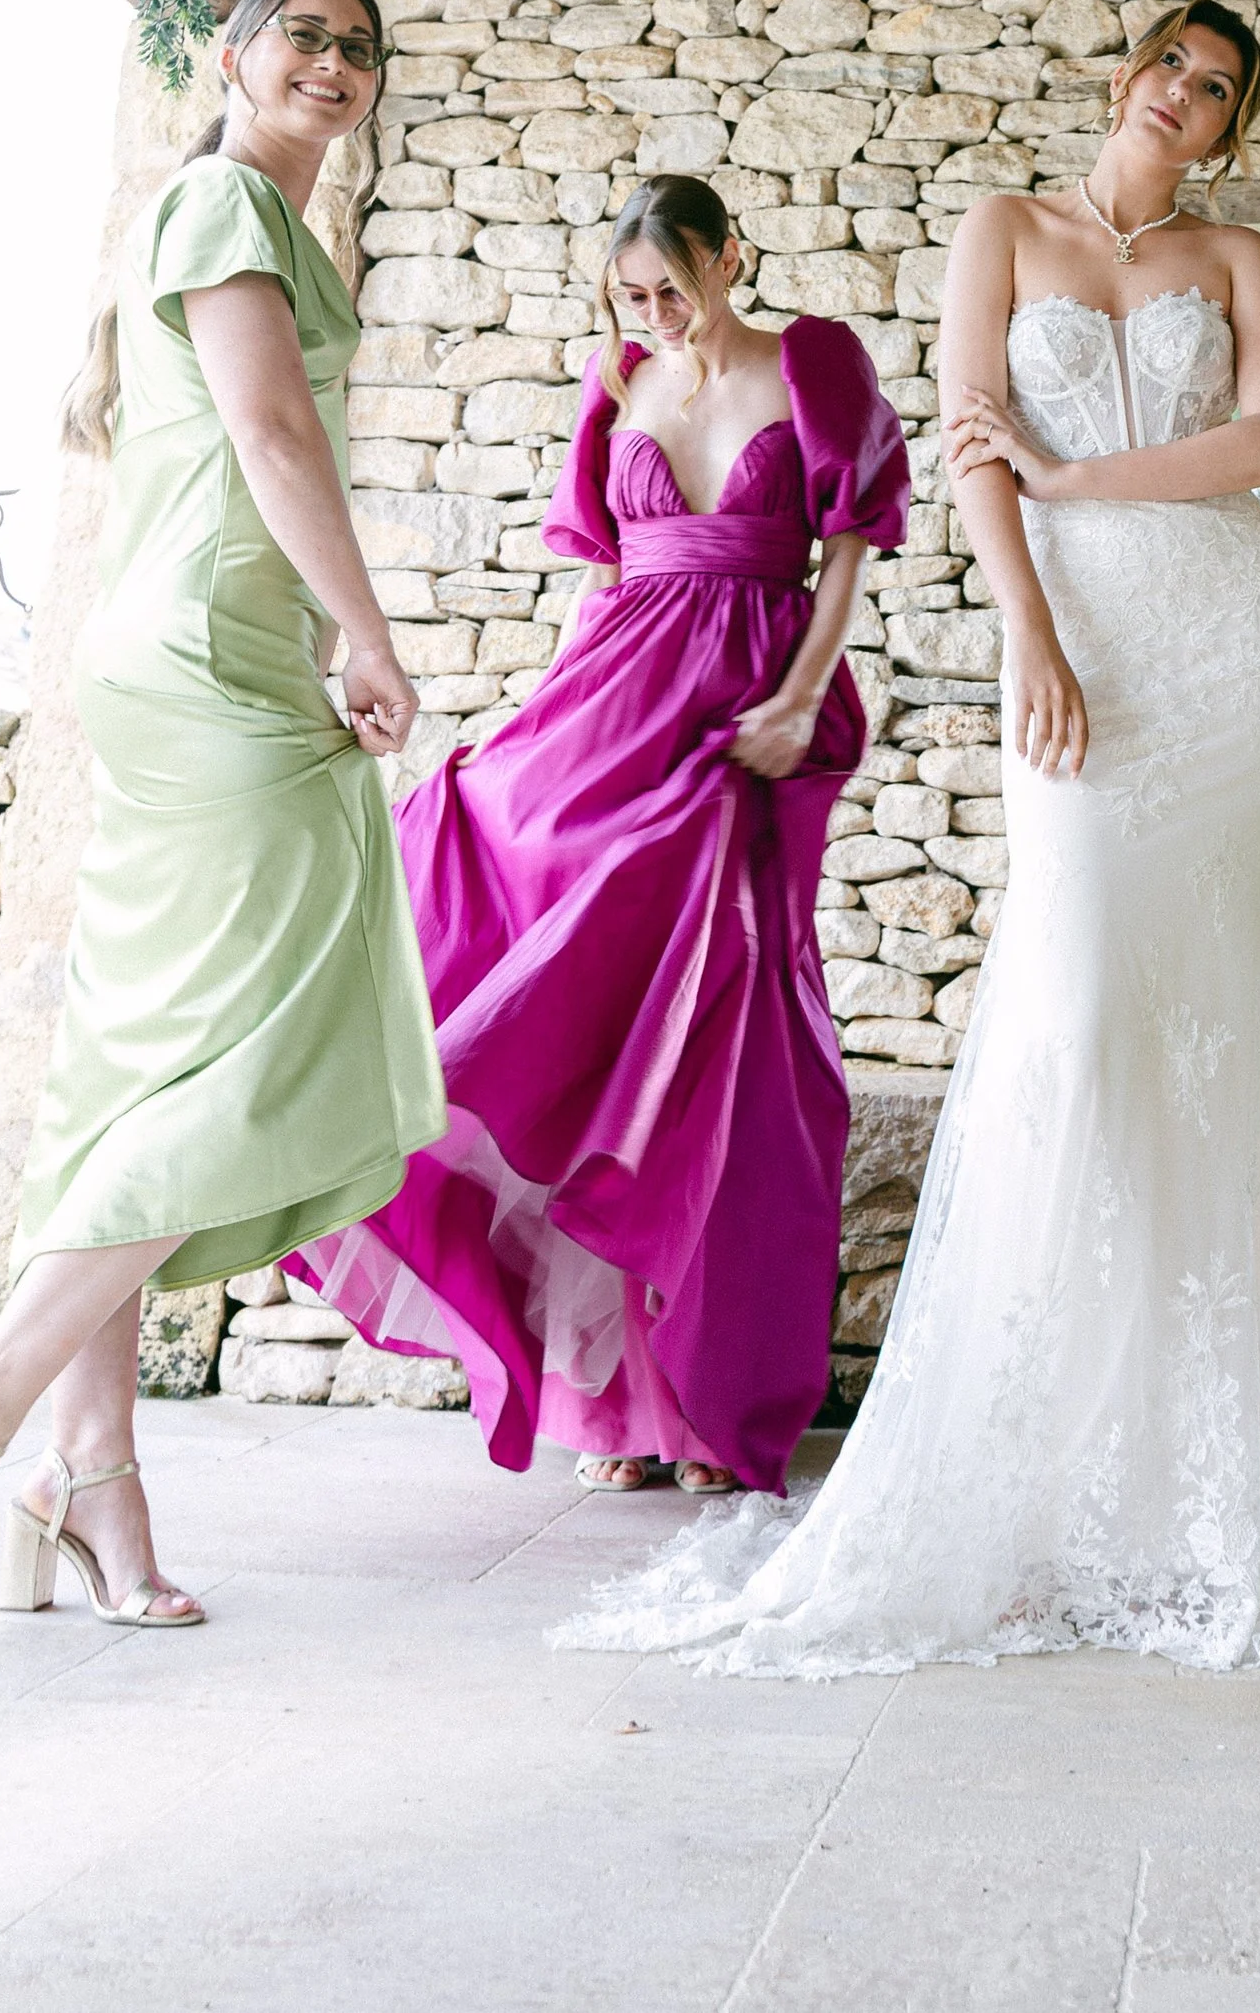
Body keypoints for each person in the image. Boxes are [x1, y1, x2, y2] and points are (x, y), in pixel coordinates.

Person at [568, 0, 1260, 1683]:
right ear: (1127, 72)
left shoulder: (1239, 255)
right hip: (1080, 638)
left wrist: (1073, 477)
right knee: (1085, 1014)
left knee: (1240, 1032)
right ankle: (1050, 1481)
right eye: (1171, 65)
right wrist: (1030, 630)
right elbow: (974, 448)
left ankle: (1228, 1493)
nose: (1185, 95)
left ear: (1234, 125)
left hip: (1231, 641)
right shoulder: (1003, 229)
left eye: (1219, 89)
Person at [0, 0, 442, 1645]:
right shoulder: (218, 203)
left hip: (195, 647)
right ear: (236, 58)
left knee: (140, 1073)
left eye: (359, 48)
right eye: (305, 36)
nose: (334, 62)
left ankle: (93, 1476)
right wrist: (367, 633)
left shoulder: (262, 218)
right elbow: (269, 431)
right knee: (250, 1048)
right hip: (212, 659)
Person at [295, 174, 908, 1498]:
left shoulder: (815, 361)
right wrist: (533, 722)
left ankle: (710, 1404)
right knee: (584, 1022)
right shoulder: (617, 377)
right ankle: (613, 1403)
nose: (652, 315)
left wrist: (802, 697)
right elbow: (602, 579)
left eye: (670, 289)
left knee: (730, 1048)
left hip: (748, 704)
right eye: (631, 296)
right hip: (615, 701)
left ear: (729, 257)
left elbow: (850, 547)